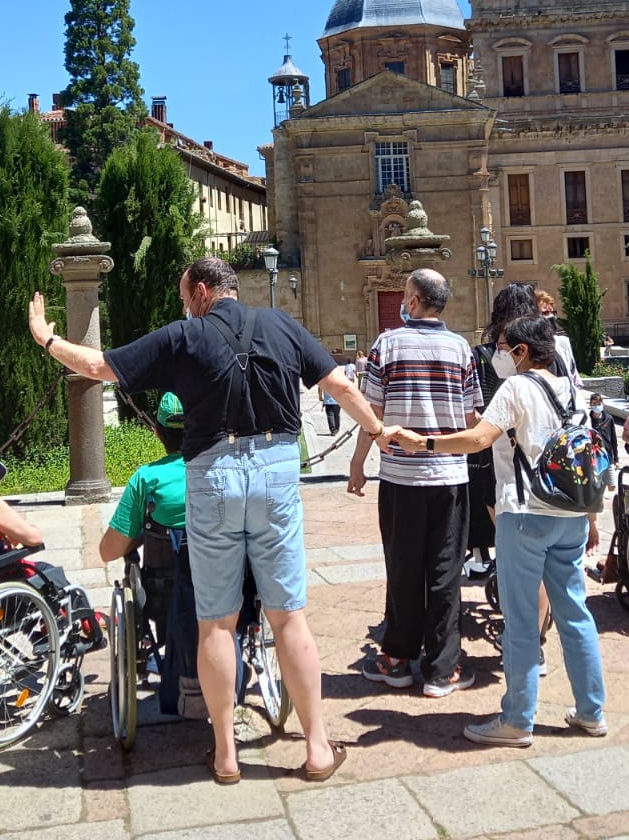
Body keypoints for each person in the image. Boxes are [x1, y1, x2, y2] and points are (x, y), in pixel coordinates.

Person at [28, 255, 382, 784]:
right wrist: (376, 429)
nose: (183, 307)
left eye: (183, 298)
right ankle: (316, 749)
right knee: (289, 617)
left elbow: (99, 366)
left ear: (199, 292)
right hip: (277, 471)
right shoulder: (281, 324)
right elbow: (342, 387)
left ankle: (225, 755)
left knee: (216, 622)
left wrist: (47, 339)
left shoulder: (184, 336)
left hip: (213, 474)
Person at [393, 314, 606, 746]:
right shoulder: (574, 391)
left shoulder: (515, 388)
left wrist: (424, 443)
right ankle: (591, 711)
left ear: (522, 351)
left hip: (525, 513)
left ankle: (517, 720)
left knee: (521, 622)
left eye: (504, 347)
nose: (499, 354)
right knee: (575, 613)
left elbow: (478, 439)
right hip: (571, 515)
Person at [346, 269, 481, 697]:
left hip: (401, 478)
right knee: (445, 572)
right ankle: (443, 669)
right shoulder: (461, 348)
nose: (403, 302)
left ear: (416, 301)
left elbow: (372, 412)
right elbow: (471, 417)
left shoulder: (386, 345)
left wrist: (358, 463)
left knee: (403, 568)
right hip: (449, 477)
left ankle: (397, 659)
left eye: (406, 295)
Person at [97, 393, 200, 717]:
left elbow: (108, 551)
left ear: (157, 431)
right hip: (221, 583)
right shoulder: (218, 468)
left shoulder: (146, 479)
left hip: (162, 591)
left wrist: (139, 538)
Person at [467, 284, 538, 562]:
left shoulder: (481, 355)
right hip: (534, 441)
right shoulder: (545, 355)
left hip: (492, 443)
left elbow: (472, 406)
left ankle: (509, 556)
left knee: (494, 497)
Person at [534, 290, 578, 385]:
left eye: (553, 312)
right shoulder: (528, 346)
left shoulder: (563, 342)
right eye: (545, 313)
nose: (551, 316)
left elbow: (574, 375)